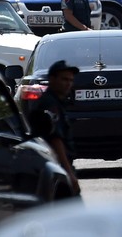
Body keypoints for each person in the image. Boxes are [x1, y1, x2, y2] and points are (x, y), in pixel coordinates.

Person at [30, 60, 80, 195]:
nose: (68, 83)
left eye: (71, 80)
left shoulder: (57, 102)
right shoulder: (50, 104)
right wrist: (68, 172)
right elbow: (55, 139)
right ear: (52, 79)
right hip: (55, 167)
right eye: (64, 79)